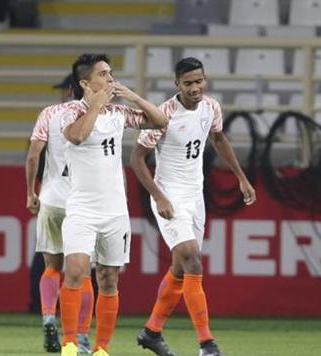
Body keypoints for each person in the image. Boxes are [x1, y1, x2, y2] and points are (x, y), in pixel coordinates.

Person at [131, 57, 256, 356]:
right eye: (188, 83)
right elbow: (136, 158)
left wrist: (242, 178)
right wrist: (159, 196)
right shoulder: (162, 115)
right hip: (169, 195)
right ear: (177, 84)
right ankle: (207, 344)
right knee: (193, 260)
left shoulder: (211, 107)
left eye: (199, 81)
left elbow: (218, 138)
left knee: (179, 269)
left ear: (205, 79)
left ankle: (151, 332)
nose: (195, 88)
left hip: (195, 196)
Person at [58, 54, 168, 356]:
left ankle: (101, 348)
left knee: (108, 278)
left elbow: (160, 121)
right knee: (76, 269)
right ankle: (69, 343)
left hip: (115, 211)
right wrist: (95, 105)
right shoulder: (68, 111)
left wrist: (133, 96)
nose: (110, 79)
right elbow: (78, 136)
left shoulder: (119, 113)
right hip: (82, 208)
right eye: (103, 74)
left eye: (111, 73)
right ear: (85, 82)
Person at [25, 74, 95, 354]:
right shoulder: (98, 116)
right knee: (85, 274)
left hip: (52, 198)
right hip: (84, 201)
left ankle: (48, 315)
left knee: (52, 268)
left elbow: (32, 155)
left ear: (69, 89)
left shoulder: (50, 114)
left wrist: (31, 192)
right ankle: (82, 336)